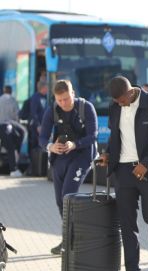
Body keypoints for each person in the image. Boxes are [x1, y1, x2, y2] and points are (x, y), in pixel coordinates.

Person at [98, 76, 148, 271]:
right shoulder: (115, 107)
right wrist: (108, 155)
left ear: (130, 92)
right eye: (116, 101)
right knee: (127, 223)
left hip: (147, 172)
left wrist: (147, 164)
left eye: (121, 100)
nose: (119, 104)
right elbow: (116, 136)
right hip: (122, 172)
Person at [39, 80, 98, 254]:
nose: (64, 103)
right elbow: (42, 138)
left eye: (66, 98)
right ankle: (68, 238)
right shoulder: (52, 110)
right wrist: (50, 146)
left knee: (68, 196)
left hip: (82, 156)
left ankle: (74, 239)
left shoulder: (86, 108)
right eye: (60, 100)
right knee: (60, 200)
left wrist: (75, 144)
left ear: (73, 93)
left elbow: (93, 136)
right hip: (61, 157)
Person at [0, 85, 24, 177]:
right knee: (11, 148)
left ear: (4, 90)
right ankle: (13, 170)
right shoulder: (12, 100)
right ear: (11, 91)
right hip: (7, 127)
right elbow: (16, 116)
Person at [29, 80, 48, 151]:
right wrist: (38, 125)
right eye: (46, 88)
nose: (47, 89)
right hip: (36, 126)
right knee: (35, 143)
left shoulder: (46, 97)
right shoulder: (35, 97)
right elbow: (33, 112)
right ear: (42, 88)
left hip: (43, 124)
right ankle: (34, 160)